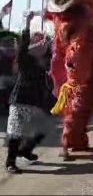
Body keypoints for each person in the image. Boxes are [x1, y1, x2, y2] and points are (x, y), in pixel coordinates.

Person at [5, 11, 56, 173]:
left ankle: (26, 151)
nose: (40, 44)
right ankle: (10, 162)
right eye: (36, 42)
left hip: (36, 101)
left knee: (44, 127)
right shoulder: (24, 59)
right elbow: (24, 43)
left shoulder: (45, 62)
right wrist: (27, 22)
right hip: (20, 100)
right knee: (15, 132)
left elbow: (53, 45)